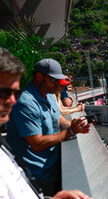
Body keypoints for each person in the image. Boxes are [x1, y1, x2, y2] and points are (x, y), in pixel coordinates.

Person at [0, 50, 91, 199]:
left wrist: (75, 125)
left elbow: (59, 119)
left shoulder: (48, 95)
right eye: (4, 93)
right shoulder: (26, 102)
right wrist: (71, 132)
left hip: (49, 170)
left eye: (15, 94)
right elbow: (36, 143)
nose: (12, 101)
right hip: (40, 174)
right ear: (39, 77)